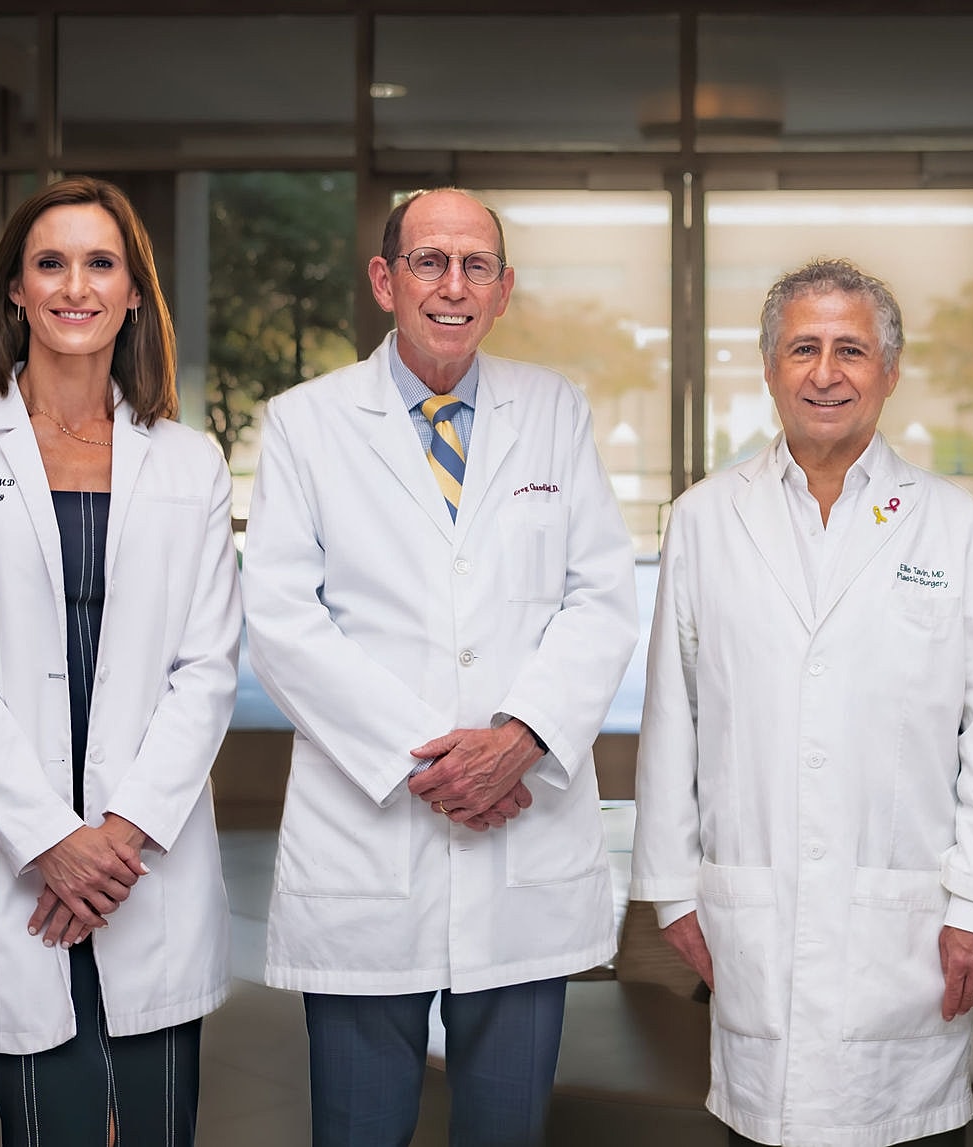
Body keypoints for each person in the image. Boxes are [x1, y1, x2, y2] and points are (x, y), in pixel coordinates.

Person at [242, 187, 638, 1146]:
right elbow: (283, 622)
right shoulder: (304, 424)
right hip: (368, 833)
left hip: (521, 832)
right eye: (429, 261)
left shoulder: (556, 411)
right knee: (360, 1127)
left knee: (505, 1127)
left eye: (476, 266)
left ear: (503, 290)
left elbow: (602, 596)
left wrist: (520, 739)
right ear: (385, 280)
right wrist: (435, 762)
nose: (452, 285)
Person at [632, 259, 973, 1147]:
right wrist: (670, 892)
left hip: (906, 925)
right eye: (803, 348)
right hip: (753, 912)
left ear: (889, 371)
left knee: (905, 1125)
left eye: (851, 349)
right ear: (769, 367)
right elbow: (672, 720)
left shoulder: (951, 523)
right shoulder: (703, 519)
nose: (825, 372)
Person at [0, 176, 240, 1142]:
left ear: (134, 292)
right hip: (15, 858)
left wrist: (118, 834)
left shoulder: (190, 462)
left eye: (100, 262)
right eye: (50, 262)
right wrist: (51, 838)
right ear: (15, 290)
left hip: (140, 860)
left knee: (160, 1131)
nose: (74, 285)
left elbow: (207, 668)